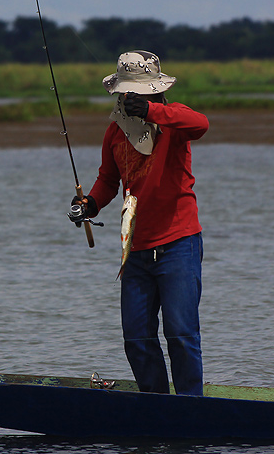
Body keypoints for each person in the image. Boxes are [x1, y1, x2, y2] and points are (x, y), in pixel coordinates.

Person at [69, 50, 209, 396]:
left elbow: (201, 124)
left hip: (179, 244)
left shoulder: (174, 120)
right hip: (136, 252)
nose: (129, 100)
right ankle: (155, 402)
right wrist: (89, 204)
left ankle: (191, 405)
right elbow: (107, 180)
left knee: (180, 332)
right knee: (136, 336)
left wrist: (151, 112)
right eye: (126, 94)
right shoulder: (114, 133)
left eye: (138, 94)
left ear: (153, 91)